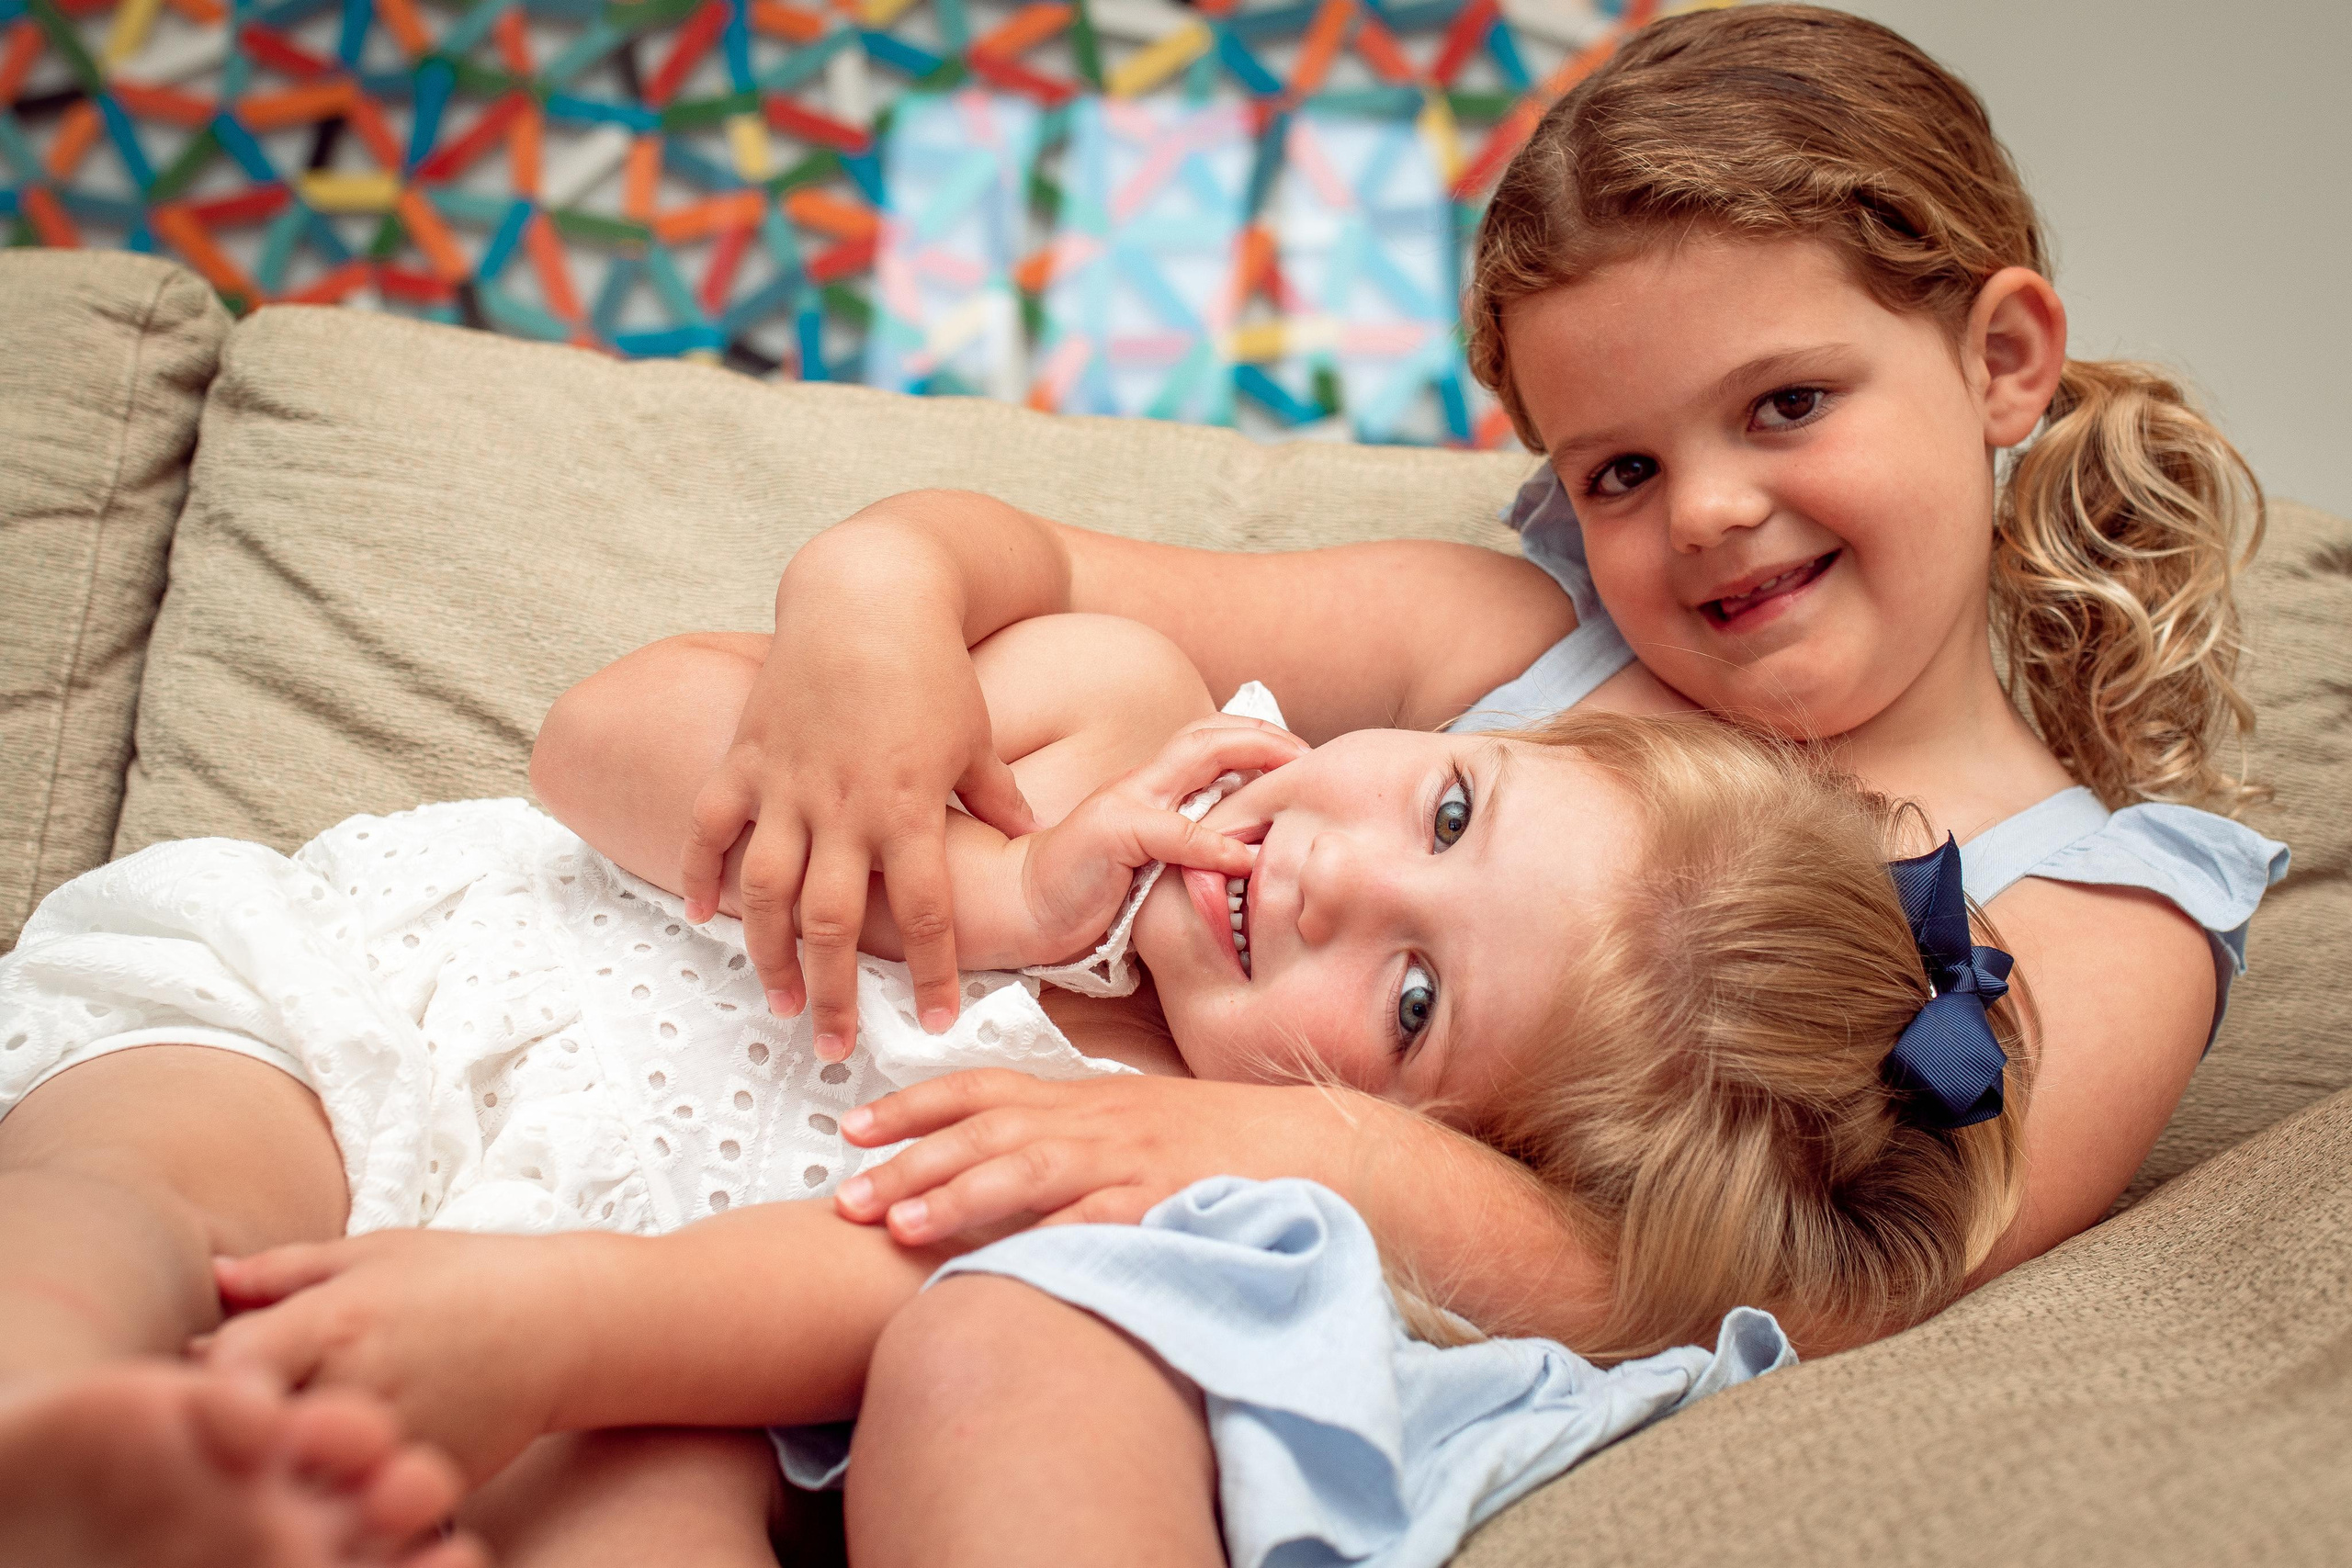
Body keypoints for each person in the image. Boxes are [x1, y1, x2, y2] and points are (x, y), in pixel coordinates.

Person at [679, 8, 2287, 1564]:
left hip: (1425, 1337)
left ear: (2003, 361)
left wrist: (1314, 1158)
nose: (1710, 512)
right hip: (1070, 1178)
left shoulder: (2104, 915)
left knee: (1009, 1362)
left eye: (1787, 403)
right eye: (1622, 473)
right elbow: (1034, 574)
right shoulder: (1513, 642)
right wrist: (872, 585)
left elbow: (1862, 1286)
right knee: (685, 1407)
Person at [6, 607, 2014, 1565]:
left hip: (627, 1306)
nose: (1324, 870)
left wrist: (543, 1335)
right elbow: (601, 731)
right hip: (381, 1006)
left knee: (664, 1500)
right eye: (1447, 803)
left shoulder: (1175, 1168)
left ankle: (281, 1520)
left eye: (1408, 992)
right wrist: (987, 880)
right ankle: (54, 1410)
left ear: (1417, 1137)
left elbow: (852, 1271)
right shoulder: (1109, 709)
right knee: (139, 1174)